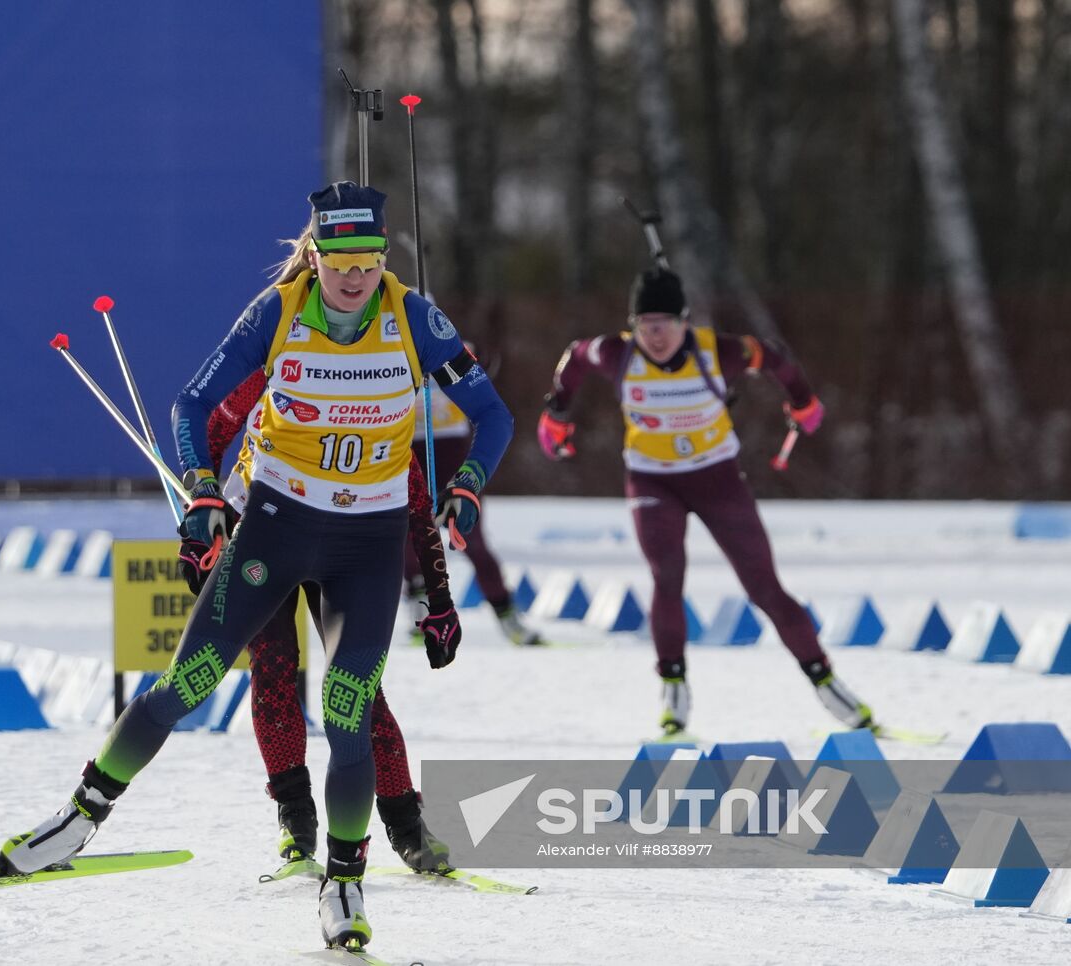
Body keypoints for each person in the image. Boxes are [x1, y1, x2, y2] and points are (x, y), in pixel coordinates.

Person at [0, 182, 512, 951]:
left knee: (348, 707)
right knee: (186, 683)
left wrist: (468, 488)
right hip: (276, 530)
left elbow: (493, 414)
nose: (355, 278)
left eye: (368, 261)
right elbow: (191, 408)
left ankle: (345, 881)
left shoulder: (413, 319)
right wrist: (202, 492)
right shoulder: (278, 314)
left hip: (365, 548)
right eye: (340, 262)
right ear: (316, 257)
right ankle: (78, 818)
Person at [536, 266, 875, 738]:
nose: (655, 337)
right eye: (645, 326)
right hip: (652, 480)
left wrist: (802, 401)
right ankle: (673, 689)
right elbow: (576, 356)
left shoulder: (719, 352)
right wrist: (556, 413)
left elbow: (775, 357)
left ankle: (826, 681)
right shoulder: (617, 353)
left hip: (717, 480)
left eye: (664, 325)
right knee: (666, 576)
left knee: (764, 588)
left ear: (684, 322)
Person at [185, 367, 459, 876]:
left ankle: (405, 823)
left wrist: (440, 600)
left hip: (340, 540)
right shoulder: (273, 370)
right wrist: (200, 519)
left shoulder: (376, 400)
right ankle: (295, 816)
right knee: (273, 666)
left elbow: (418, 505)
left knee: (357, 686)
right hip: (260, 533)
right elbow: (211, 432)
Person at [405, 367, 544, 647]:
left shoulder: (450, 346)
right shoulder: (390, 347)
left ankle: (507, 615)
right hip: (408, 449)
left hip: (452, 451)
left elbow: (486, 376)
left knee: (472, 539)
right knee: (408, 536)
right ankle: (420, 611)